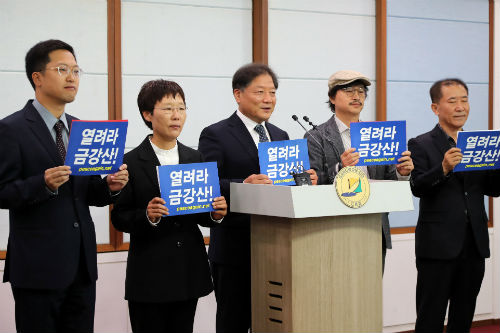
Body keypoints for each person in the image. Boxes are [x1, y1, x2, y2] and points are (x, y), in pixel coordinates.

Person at [0, 39, 129, 332]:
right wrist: (42, 184)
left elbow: (86, 194)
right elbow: (2, 191)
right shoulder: (11, 129)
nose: (72, 77)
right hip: (37, 267)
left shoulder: (81, 127)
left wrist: (110, 186)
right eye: (62, 69)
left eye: (76, 70)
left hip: (82, 265)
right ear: (38, 77)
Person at [198, 63, 317, 332]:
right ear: (238, 95)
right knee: (234, 323)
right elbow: (209, 184)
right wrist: (245, 184)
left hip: (279, 246)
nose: (268, 99)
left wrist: (304, 180)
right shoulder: (215, 133)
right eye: (260, 92)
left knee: (274, 323)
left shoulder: (281, 135)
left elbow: (285, 186)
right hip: (235, 247)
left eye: (272, 93)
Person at [111, 79, 228, 333]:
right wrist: (148, 216)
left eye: (181, 108)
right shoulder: (129, 161)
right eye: (167, 109)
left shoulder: (194, 157)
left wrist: (215, 213)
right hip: (150, 273)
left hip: (188, 269)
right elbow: (119, 217)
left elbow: (200, 213)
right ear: (147, 114)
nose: (177, 116)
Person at [409, 78, 500, 332]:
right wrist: (444, 168)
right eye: (453, 101)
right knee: (430, 318)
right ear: (435, 108)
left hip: (474, 244)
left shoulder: (479, 143)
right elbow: (417, 187)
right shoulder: (421, 143)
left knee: (463, 317)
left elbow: (494, 189)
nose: (461, 107)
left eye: (465, 100)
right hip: (437, 246)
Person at [305, 70, 414, 270]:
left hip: (373, 227)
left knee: (370, 296)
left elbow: (389, 178)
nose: (356, 96)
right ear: (332, 97)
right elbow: (311, 183)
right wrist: (340, 168)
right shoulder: (315, 136)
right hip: (334, 228)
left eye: (361, 91)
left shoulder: (378, 134)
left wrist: (402, 172)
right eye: (348, 91)